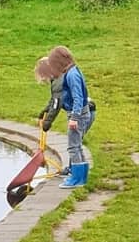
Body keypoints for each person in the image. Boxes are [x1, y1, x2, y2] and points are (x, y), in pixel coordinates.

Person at [36, 46, 96, 188]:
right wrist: (43, 113)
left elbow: (77, 97)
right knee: (77, 146)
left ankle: (76, 178)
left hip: (79, 114)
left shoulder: (71, 75)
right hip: (80, 113)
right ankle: (81, 177)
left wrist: (74, 118)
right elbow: (54, 100)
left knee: (73, 147)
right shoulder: (70, 72)